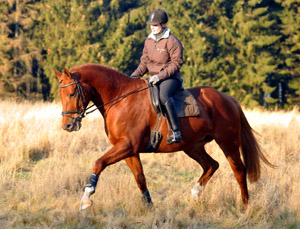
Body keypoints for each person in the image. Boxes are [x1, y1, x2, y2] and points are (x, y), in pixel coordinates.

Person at [131, 9, 184, 144]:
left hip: (170, 78)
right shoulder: (149, 41)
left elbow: (176, 63)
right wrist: (132, 77)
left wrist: (159, 77)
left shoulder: (172, 41)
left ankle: (176, 131)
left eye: (155, 25)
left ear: (163, 25)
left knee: (163, 96)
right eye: (151, 25)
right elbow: (144, 63)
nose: (152, 27)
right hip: (153, 78)